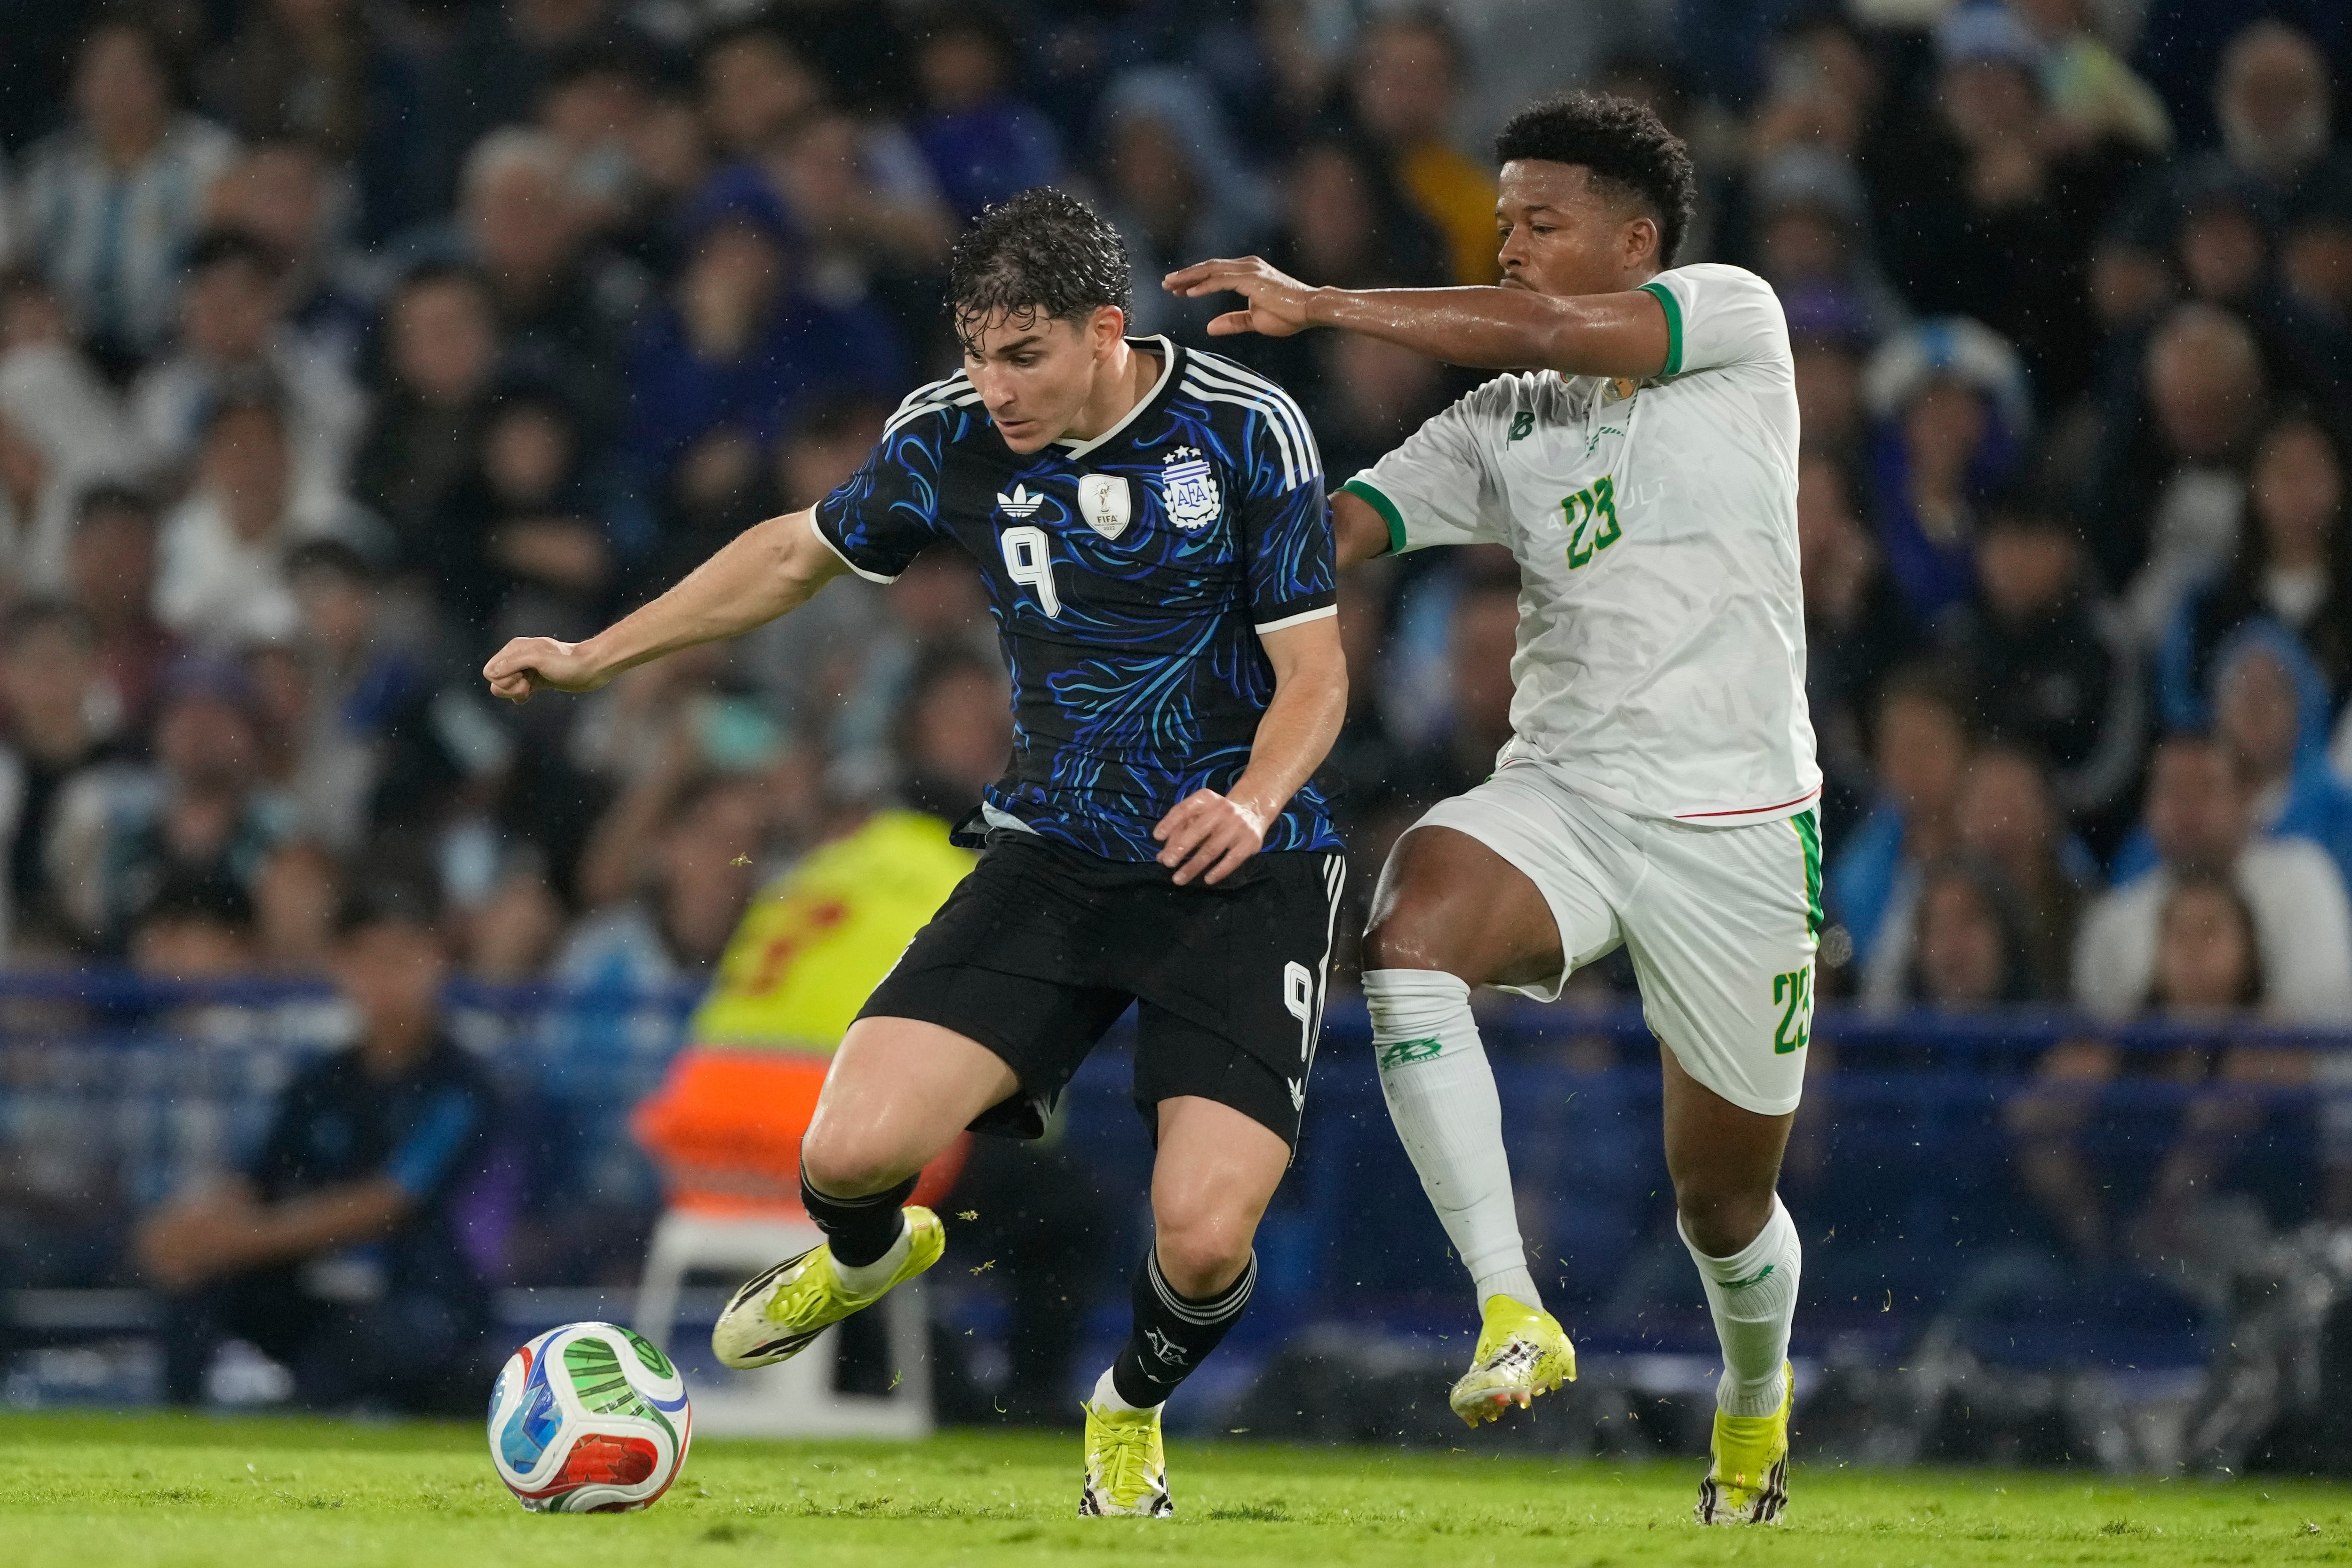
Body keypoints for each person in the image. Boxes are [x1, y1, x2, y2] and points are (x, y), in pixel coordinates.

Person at [484, 188, 1348, 1517]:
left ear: (1106, 331)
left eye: (1024, 356)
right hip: (1054, 852)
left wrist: (1247, 800)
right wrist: (598, 655)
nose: (990, 386)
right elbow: (791, 555)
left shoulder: (1244, 427)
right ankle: (870, 1252)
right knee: (842, 1153)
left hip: (1240, 864)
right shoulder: (950, 435)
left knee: (1203, 1225)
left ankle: (1128, 1404)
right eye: (974, 351)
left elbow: (1316, 676)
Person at [1170, 90, 1818, 1524]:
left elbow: (1540, 329)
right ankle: (1512, 1309)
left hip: (1739, 822)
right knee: (1408, 938)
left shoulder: (1729, 321)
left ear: (1632, 238)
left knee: (1720, 1204)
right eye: (1501, 220)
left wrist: (1323, 302)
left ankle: (1754, 1398)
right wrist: (1198, 551)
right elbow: (1340, 529)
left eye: (1540, 221)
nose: (1511, 245)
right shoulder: (1503, 422)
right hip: (1567, 795)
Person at [136, 882, 501, 1412]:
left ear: (437, 962)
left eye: (402, 959)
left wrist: (241, 1240)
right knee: (197, 1277)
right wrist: (194, 1228)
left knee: (377, 1344)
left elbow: (389, 1201)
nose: (386, 979)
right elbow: (259, 1180)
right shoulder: (321, 1080)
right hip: (314, 1284)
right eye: (369, 960)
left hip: (424, 1298)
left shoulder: (465, 1084)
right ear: (341, 967)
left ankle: (292, 1420)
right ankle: (177, 1421)